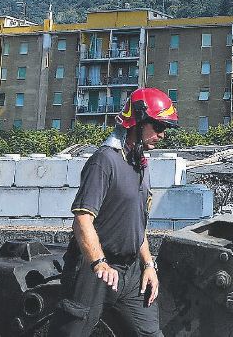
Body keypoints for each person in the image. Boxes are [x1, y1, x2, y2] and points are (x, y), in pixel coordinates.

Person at [47, 88, 179, 337]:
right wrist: (99, 263)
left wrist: (148, 265)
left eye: (165, 129)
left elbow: (137, 226)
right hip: (93, 271)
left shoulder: (140, 165)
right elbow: (82, 219)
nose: (162, 134)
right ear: (138, 121)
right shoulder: (104, 161)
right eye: (158, 126)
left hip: (130, 273)